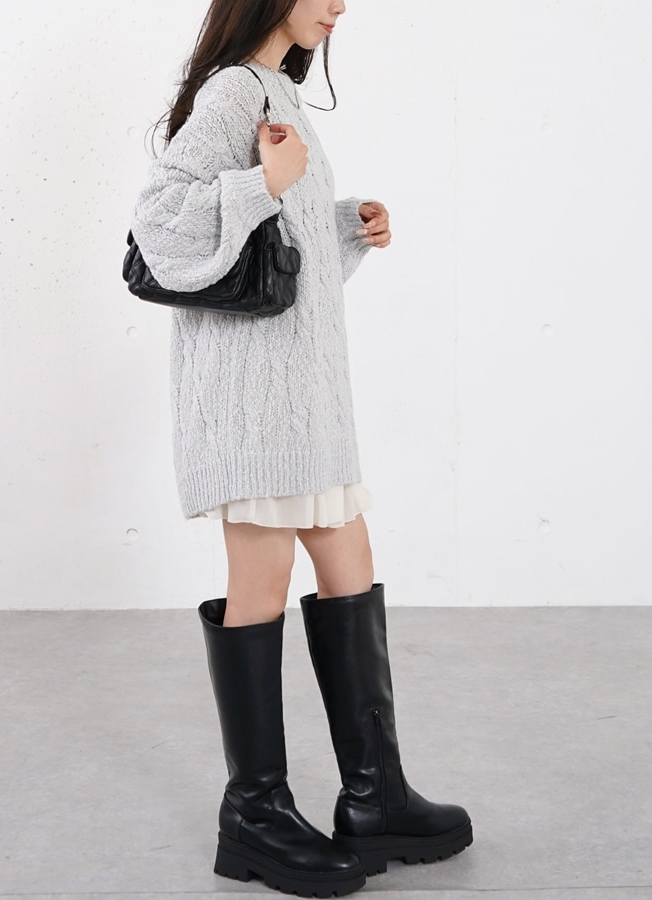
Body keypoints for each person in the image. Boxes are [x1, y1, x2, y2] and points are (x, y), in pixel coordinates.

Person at [130, 1, 473, 895]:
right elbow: (159, 229)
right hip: (253, 403)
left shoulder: (275, 91)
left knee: (350, 561)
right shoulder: (230, 95)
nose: (339, 4)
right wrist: (263, 184)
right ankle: (253, 813)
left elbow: (278, 253)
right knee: (263, 582)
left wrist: (346, 223)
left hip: (307, 400)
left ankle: (374, 796)